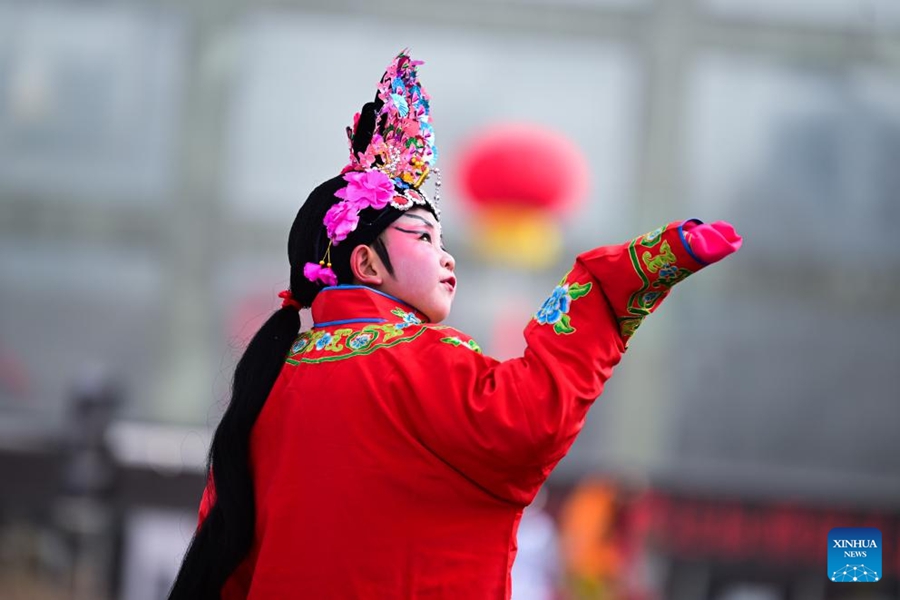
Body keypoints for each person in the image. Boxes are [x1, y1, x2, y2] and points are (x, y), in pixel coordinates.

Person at [167, 49, 742, 600]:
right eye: (423, 236)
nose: (447, 257)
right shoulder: (413, 359)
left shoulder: (270, 382)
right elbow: (527, 422)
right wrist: (614, 284)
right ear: (365, 262)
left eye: (444, 239)